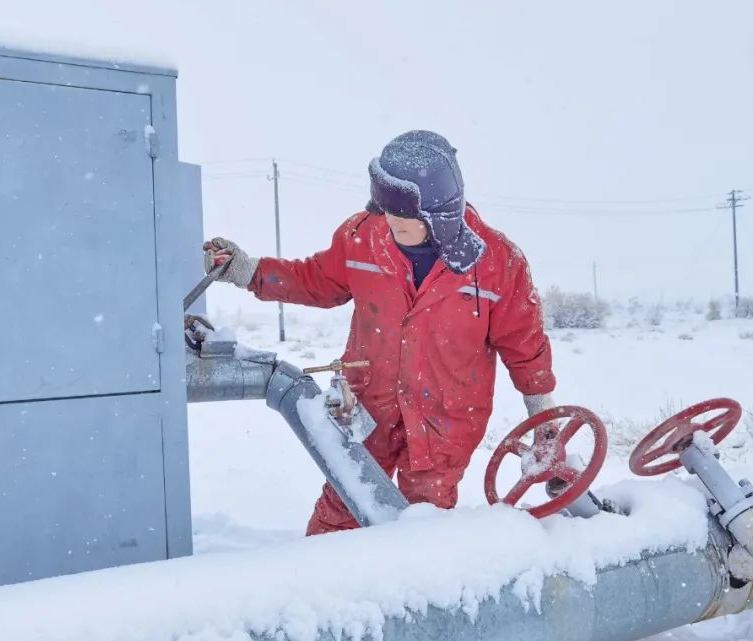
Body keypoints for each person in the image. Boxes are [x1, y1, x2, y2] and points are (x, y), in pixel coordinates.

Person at [204, 130, 556, 535]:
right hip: (367, 409)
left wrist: (545, 426)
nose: (390, 227)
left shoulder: (498, 264)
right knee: (342, 507)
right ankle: (324, 589)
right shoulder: (364, 237)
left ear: (439, 218)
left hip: (446, 423)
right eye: (386, 215)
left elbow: (526, 351)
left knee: (423, 526)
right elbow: (316, 279)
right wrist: (252, 272)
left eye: (403, 223)